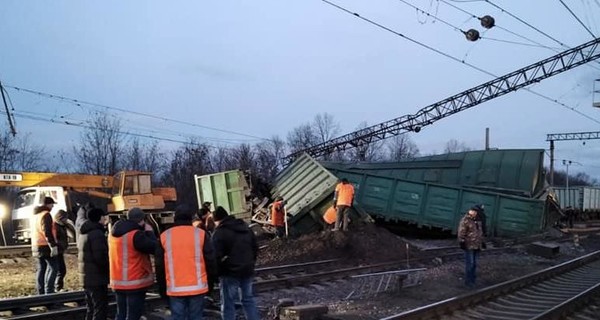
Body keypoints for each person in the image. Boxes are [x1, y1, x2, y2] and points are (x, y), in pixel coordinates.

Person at [156, 204, 217, 320]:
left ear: (175, 217)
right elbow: (210, 261)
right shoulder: (200, 234)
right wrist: (211, 284)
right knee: (196, 317)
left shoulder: (165, 236)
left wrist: (162, 289)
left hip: (175, 290)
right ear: (190, 218)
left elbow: (160, 266)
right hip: (198, 288)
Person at [211, 206, 260, 320]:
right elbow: (255, 248)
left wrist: (217, 272)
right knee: (248, 299)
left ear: (217, 220)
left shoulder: (220, 232)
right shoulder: (245, 228)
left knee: (228, 303)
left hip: (229, 273)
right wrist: (251, 262)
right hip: (247, 270)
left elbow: (215, 256)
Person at [108, 207, 157, 320]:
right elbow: (154, 248)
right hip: (134, 282)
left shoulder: (113, 233)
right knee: (133, 316)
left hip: (118, 282)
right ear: (141, 220)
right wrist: (149, 232)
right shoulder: (136, 235)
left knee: (121, 314)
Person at [78, 208, 110, 320]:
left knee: (91, 307)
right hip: (97, 277)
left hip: (87, 277)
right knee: (100, 308)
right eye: (103, 216)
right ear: (99, 218)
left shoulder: (84, 232)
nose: (105, 219)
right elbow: (100, 257)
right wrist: (108, 272)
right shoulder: (97, 234)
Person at [31, 196, 59, 295]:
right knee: (53, 268)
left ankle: (41, 292)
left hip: (36, 245)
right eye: (52, 204)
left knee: (41, 268)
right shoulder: (46, 215)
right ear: (47, 204)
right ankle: (49, 291)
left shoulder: (35, 215)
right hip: (45, 246)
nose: (52, 206)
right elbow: (47, 231)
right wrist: (53, 245)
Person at [458, 207, 484, 288]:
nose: (474, 213)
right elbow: (461, 232)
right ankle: (468, 282)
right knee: (470, 264)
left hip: (476, 245)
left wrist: (482, 242)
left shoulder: (477, 221)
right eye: (473, 211)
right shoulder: (466, 220)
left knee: (474, 264)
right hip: (469, 245)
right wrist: (462, 242)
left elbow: (479, 233)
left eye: (475, 211)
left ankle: (472, 280)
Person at [53, 209, 73, 292]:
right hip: (57, 250)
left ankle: (58, 286)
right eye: (65, 218)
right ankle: (57, 287)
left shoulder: (62, 226)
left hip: (60, 250)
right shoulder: (55, 226)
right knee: (61, 270)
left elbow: (72, 234)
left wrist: (68, 225)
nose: (66, 220)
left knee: (61, 270)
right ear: (60, 218)